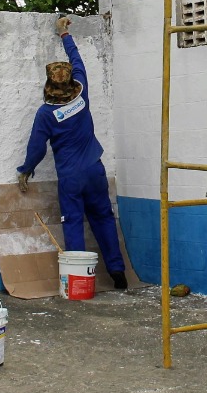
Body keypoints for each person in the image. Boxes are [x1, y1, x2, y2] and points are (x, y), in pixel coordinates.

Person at [17, 16, 128, 290]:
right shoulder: (82, 94)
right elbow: (78, 62)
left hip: (71, 176)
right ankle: (118, 273)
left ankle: (81, 282)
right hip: (95, 168)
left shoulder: (46, 114)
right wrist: (65, 35)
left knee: (73, 223)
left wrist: (26, 170)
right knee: (103, 218)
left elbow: (36, 148)